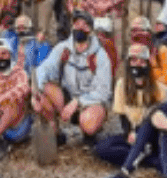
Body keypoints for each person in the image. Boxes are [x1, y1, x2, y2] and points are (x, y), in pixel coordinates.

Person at [34, 12, 114, 144]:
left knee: (89, 123)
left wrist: (78, 102)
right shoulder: (63, 48)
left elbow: (104, 92)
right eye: (77, 24)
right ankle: (55, 131)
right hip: (68, 95)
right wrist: (36, 92)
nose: (80, 28)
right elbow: (44, 69)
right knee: (44, 92)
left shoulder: (100, 55)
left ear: (91, 30)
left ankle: (89, 133)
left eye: (85, 25)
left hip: (90, 101)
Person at [96, 42, 167, 171]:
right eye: (134, 60)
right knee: (102, 148)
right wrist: (129, 132)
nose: (137, 64)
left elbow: (158, 118)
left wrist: (140, 135)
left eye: (142, 61)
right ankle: (148, 160)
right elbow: (122, 114)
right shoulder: (121, 85)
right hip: (131, 133)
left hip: (151, 135)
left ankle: (140, 156)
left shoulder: (160, 89)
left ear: (148, 63)